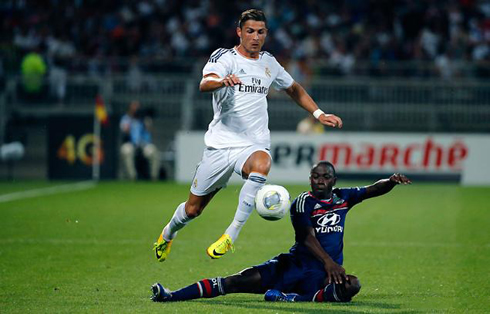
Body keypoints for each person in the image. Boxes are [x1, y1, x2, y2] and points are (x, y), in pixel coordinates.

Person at [153, 9, 343, 262]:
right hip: (220, 146)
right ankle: (167, 234)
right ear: (239, 32)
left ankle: (230, 235)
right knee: (192, 210)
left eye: (261, 32)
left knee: (262, 163)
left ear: (266, 34)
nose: (255, 37)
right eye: (250, 31)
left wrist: (318, 114)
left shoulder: (269, 63)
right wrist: (223, 81)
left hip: (253, 144)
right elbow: (204, 83)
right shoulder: (225, 57)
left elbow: (294, 88)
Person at [150, 161, 411, 303]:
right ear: (310, 179)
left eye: (325, 177)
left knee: (353, 285)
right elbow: (305, 237)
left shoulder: (343, 198)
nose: (319, 181)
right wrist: (330, 262)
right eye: (315, 177)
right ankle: (171, 296)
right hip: (293, 266)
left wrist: (390, 181)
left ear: (334, 181)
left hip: (322, 274)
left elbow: (371, 189)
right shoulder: (301, 203)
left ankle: (291, 299)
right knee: (235, 281)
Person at [120, 100, 160, 181]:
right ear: (130, 108)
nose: (136, 109)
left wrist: (145, 119)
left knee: (154, 152)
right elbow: (124, 130)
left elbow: (149, 129)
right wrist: (131, 121)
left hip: (144, 144)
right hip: (131, 143)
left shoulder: (144, 118)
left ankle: (153, 177)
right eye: (134, 106)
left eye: (137, 107)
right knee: (126, 151)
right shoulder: (126, 118)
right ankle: (132, 177)